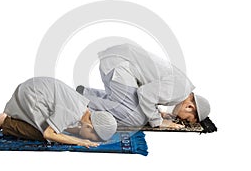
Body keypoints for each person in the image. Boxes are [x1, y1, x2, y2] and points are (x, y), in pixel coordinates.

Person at [77, 43, 211, 129]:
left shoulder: (181, 87)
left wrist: (157, 113)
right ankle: (78, 103)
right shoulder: (180, 90)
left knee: (127, 105)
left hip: (117, 60)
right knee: (136, 118)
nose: (180, 119)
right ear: (189, 107)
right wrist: (158, 121)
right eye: (186, 118)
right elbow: (145, 94)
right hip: (119, 63)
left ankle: (86, 94)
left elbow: (150, 93)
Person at [0, 77, 117, 148]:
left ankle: (8, 117)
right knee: (45, 136)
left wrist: (74, 136)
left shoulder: (83, 106)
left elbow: (70, 123)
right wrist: (79, 142)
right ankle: (5, 122)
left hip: (30, 91)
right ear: (90, 127)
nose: (86, 138)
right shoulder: (72, 112)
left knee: (59, 130)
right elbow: (48, 134)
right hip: (28, 97)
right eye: (91, 137)